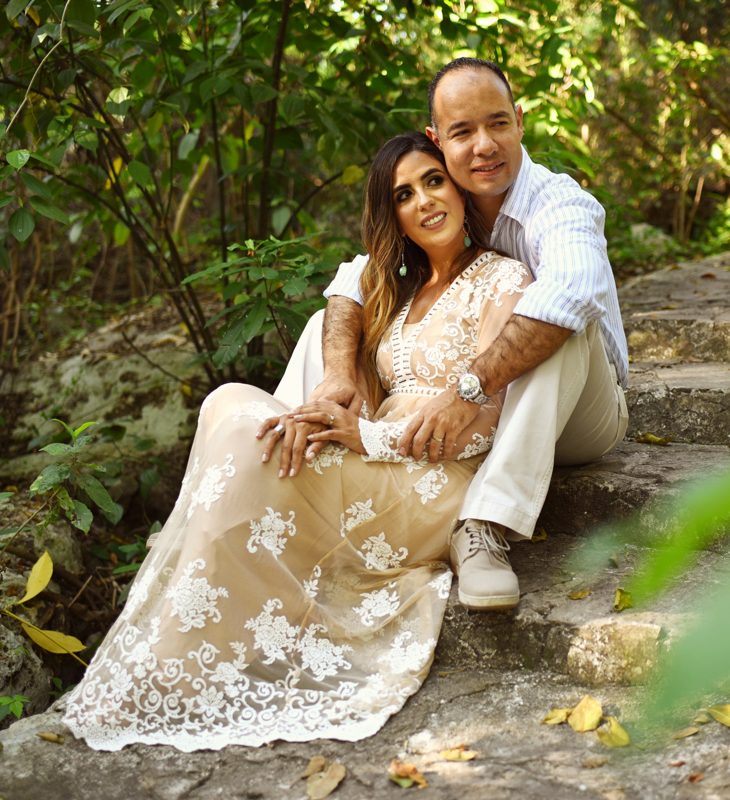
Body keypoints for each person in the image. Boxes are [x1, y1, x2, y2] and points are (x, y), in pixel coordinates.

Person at [60, 130, 534, 751]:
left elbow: (485, 423)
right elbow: (343, 292)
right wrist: (334, 403)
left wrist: (363, 436)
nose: (424, 201)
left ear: (458, 186)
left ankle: (180, 657)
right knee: (228, 404)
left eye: (434, 181)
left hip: (435, 480)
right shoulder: (400, 288)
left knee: (249, 445)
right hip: (373, 454)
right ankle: (192, 648)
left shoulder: (504, 279)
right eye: (404, 195)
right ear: (392, 216)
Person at [274, 58, 629, 611]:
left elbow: (571, 292)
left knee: (557, 319)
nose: (484, 145)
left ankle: (485, 524)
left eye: (497, 124)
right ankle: (284, 458)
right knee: (329, 324)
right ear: (440, 143)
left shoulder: (558, 203)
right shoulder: (443, 206)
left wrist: (466, 390)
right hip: (492, 406)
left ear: (519, 121)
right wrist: (341, 374)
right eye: (463, 132)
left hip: (579, 410)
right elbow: (353, 279)